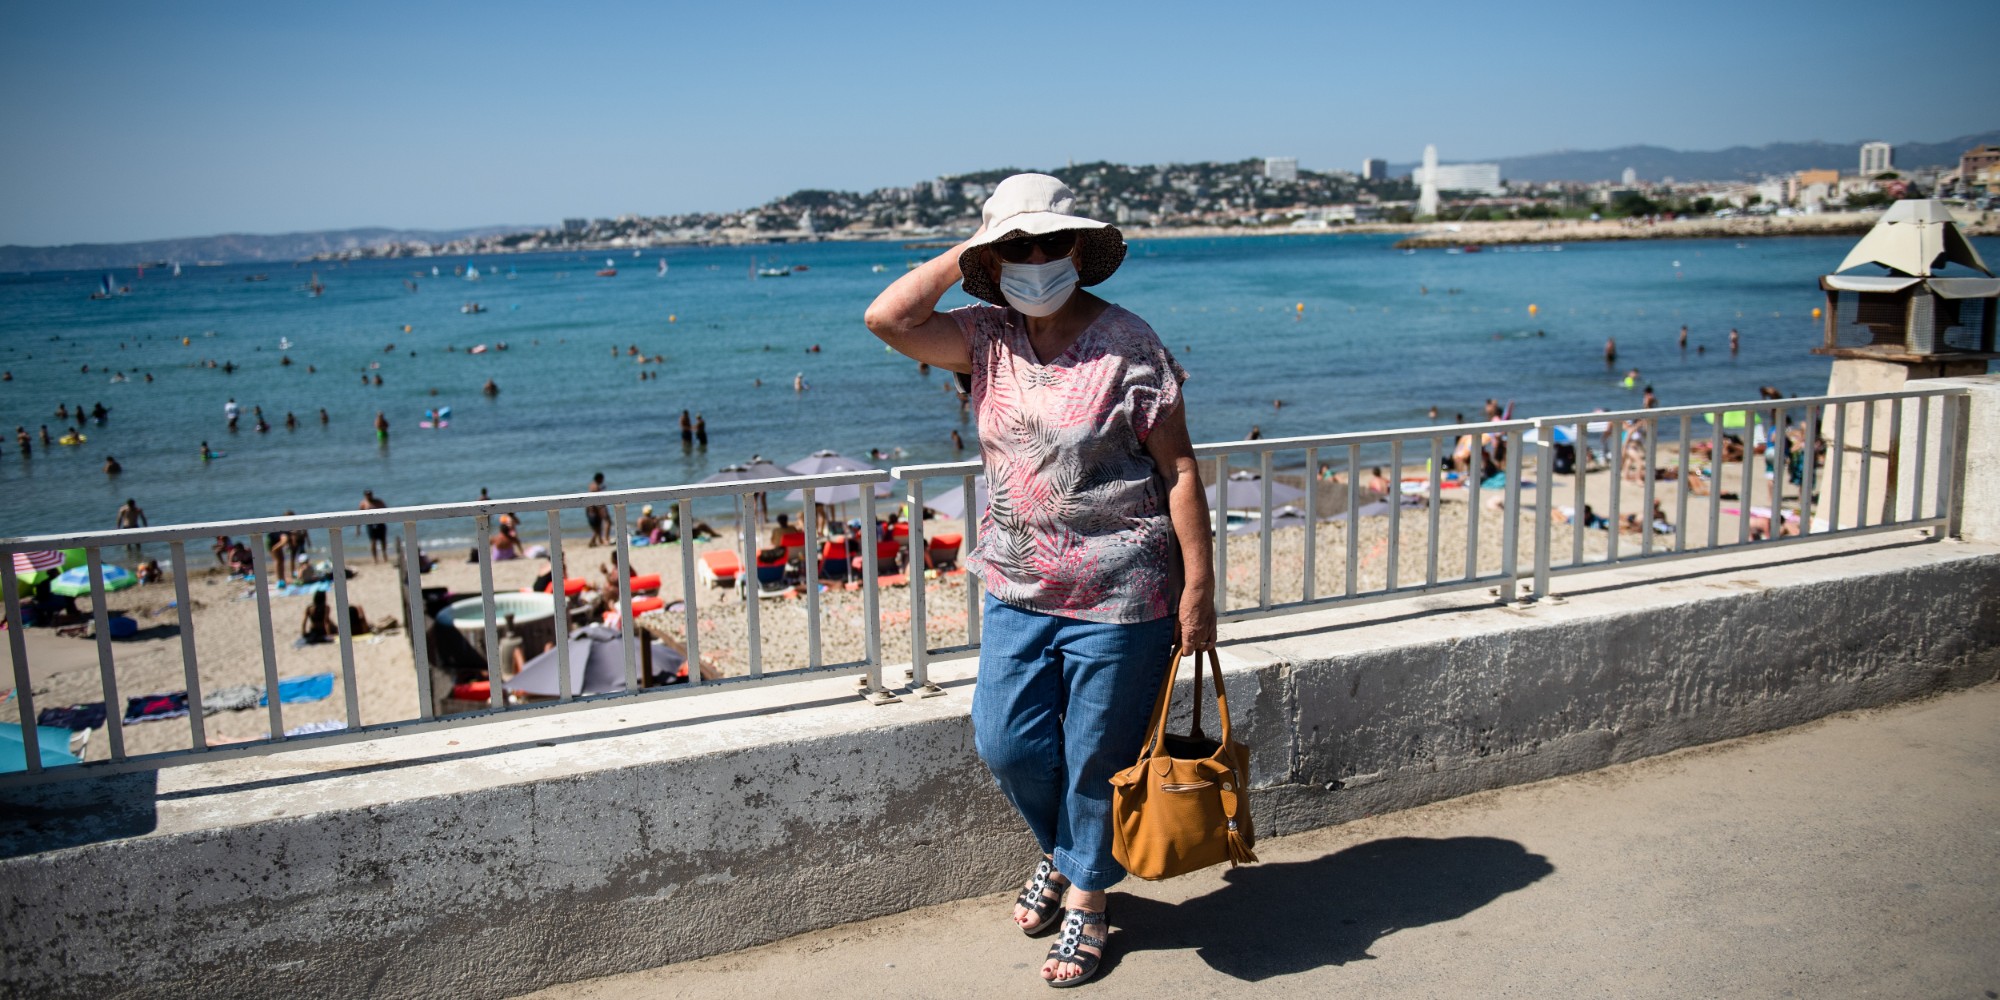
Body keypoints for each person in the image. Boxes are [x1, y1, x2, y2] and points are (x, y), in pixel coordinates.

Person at [863, 173, 1213, 987]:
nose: (1036, 258)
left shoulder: (1131, 342)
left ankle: (1086, 898)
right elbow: (887, 318)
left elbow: (1181, 469)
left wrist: (1199, 590)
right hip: (1017, 587)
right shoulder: (984, 336)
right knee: (1008, 742)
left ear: (1079, 250)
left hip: (1125, 590)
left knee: (1098, 757)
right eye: (1016, 247)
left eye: (1051, 241)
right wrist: (969, 253)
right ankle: (1065, 852)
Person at [360, 489, 389, 562]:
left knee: (383, 540)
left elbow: (386, 511)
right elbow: (359, 516)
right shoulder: (364, 503)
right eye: (367, 494)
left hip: (380, 523)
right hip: (370, 524)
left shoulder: (378, 502)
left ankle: (384, 555)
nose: (369, 496)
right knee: (373, 542)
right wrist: (358, 528)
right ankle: (375, 558)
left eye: (370, 494)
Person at [585, 472, 608, 546]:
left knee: (597, 528)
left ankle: (597, 541)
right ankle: (592, 542)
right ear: (599, 478)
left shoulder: (592, 485)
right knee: (597, 528)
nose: (603, 480)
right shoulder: (596, 487)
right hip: (594, 511)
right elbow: (597, 500)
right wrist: (602, 511)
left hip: (590, 510)